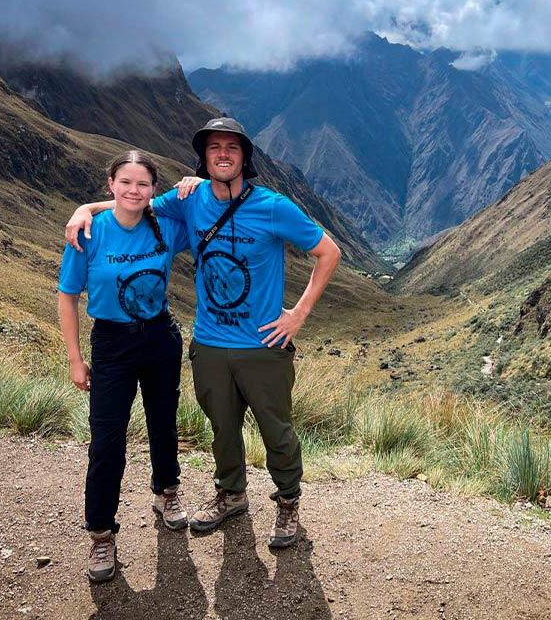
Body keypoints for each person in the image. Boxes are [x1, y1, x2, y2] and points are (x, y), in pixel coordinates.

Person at [65, 118, 342, 549]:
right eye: (215, 147)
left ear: (245, 157)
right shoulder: (188, 201)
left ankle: (288, 502)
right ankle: (231, 495)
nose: (223, 154)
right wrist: (86, 209)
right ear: (204, 157)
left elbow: (329, 251)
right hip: (210, 344)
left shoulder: (273, 206)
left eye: (232, 147)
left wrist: (298, 314)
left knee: (277, 431)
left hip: (263, 345)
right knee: (222, 430)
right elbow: (135, 202)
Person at [58, 151, 191, 583]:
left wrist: (194, 183)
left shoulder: (166, 225)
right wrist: (76, 359)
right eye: (126, 182)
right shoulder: (89, 233)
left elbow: (215, 206)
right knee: (107, 441)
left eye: (144, 184)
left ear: (154, 190)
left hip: (159, 337)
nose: (134, 191)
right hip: (112, 344)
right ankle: (100, 533)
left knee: (163, 423)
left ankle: (166, 492)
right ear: (110, 184)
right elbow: (68, 295)